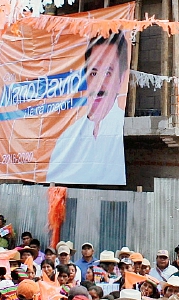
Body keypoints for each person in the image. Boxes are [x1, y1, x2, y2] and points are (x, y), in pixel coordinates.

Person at [46, 32, 130, 186]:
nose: (99, 83)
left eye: (107, 73)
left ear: (121, 79)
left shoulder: (117, 129)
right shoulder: (66, 139)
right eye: (93, 73)